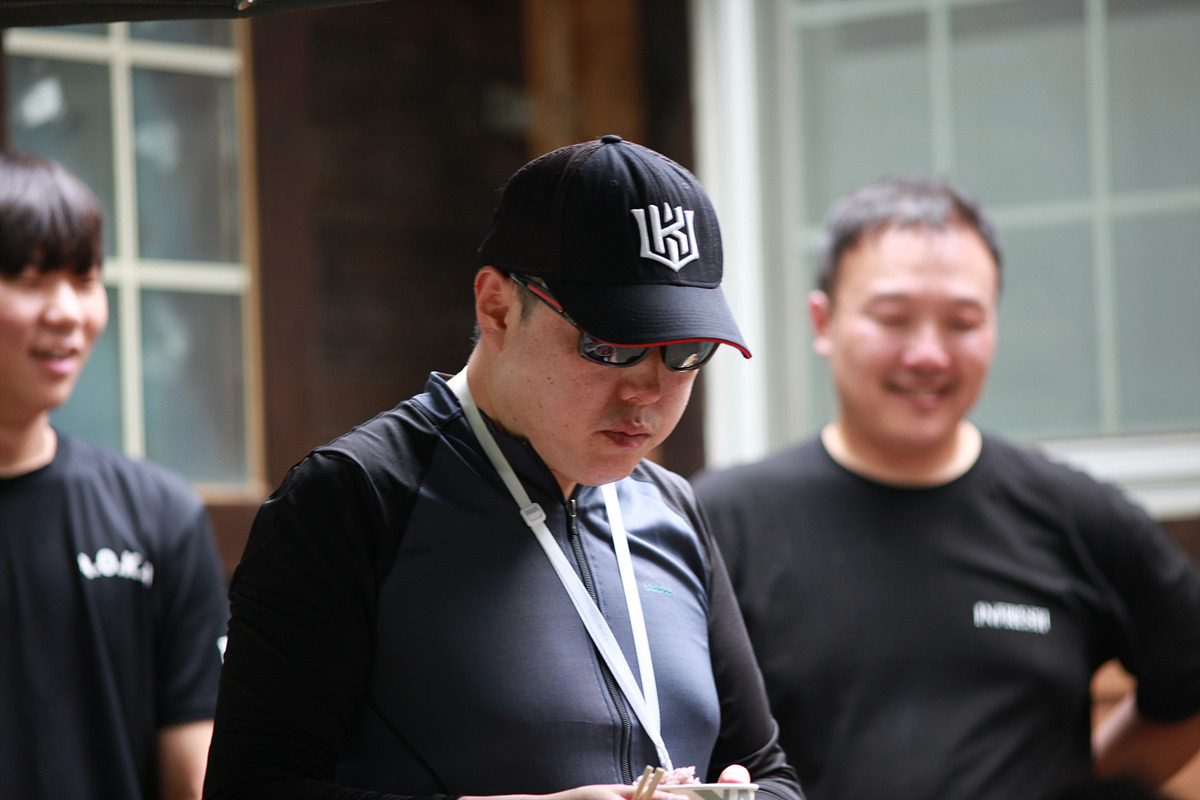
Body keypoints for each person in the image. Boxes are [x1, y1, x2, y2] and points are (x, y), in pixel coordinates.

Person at [202, 135, 804, 800]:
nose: (648, 392)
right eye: (609, 345)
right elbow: (251, 788)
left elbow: (771, 774)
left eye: (687, 352)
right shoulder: (354, 496)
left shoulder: (671, 507)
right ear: (497, 308)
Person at [691, 177, 1200, 800]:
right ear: (823, 321)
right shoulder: (721, 521)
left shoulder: (1077, 516)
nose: (928, 355)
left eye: (962, 322)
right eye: (893, 318)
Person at [0, 150, 229, 799]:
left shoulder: (160, 517)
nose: (67, 312)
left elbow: (198, 775)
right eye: (30, 279)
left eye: (84, 279)